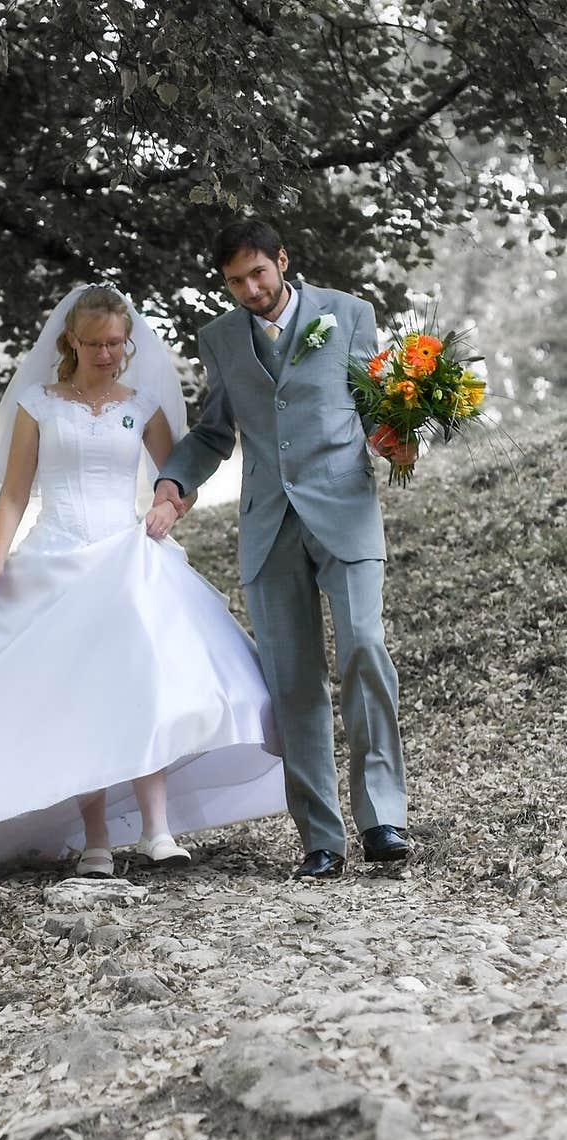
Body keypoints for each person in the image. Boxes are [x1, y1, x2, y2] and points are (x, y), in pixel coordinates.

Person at [0, 284, 286, 877]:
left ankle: (158, 831)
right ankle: (96, 836)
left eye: (116, 343)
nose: (107, 354)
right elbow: (15, 493)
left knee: (141, 682)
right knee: (75, 693)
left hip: (127, 557)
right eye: (95, 343)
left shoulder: (143, 404)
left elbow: (178, 476)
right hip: (55, 556)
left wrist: (168, 505)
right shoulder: (38, 404)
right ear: (71, 342)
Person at [153, 219, 410, 880]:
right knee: (291, 682)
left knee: (364, 651)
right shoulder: (219, 339)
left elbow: (376, 403)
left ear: (281, 261)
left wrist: (401, 436)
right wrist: (172, 486)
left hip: (346, 512)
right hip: (269, 524)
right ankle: (320, 838)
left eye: (257, 274)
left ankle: (382, 817)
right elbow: (212, 433)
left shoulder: (349, 314)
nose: (250, 289)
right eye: (236, 281)